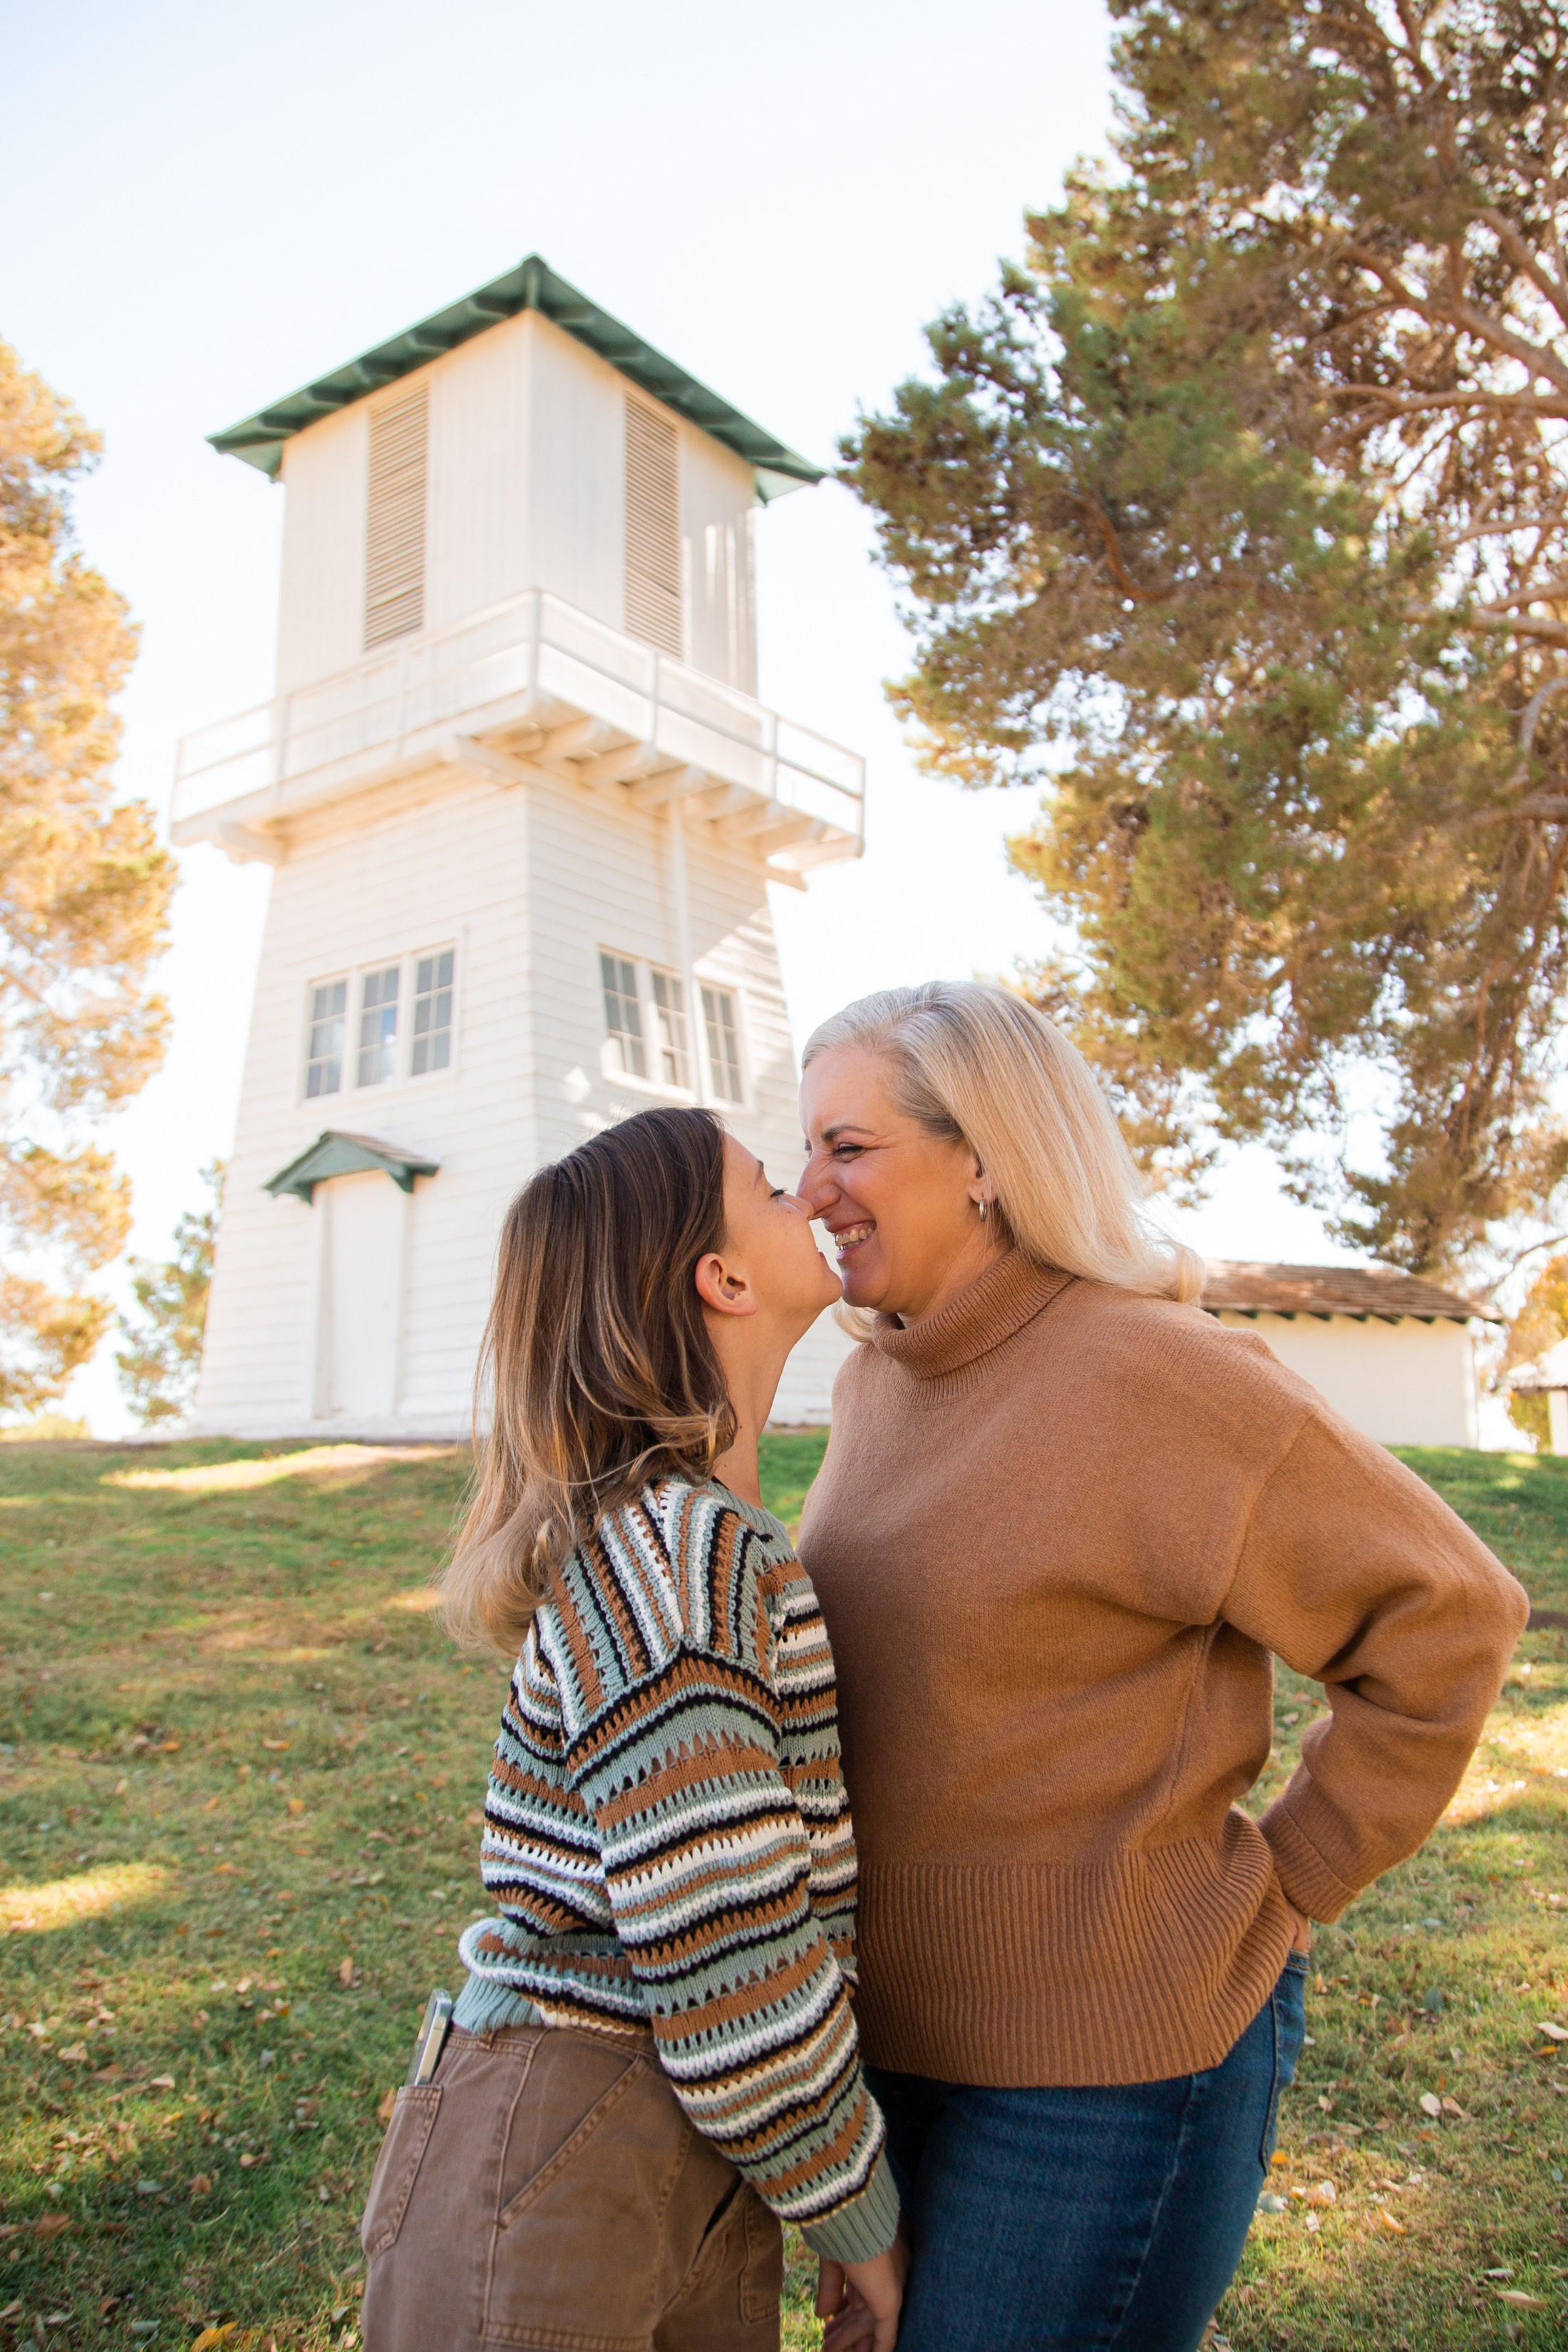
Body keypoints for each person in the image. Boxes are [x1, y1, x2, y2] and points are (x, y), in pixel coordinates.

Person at [794, 981, 1528, 2352]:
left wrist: (1297, 1875)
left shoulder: (1164, 1377)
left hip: (1112, 2077)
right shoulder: (876, 1379)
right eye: (804, 1152)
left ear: (986, 1158)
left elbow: (1450, 1615)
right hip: (892, 2055)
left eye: (848, 1147)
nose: (809, 1189)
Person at [359, 1106, 904, 2352]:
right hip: (572, 2134)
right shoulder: (676, 1551)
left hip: (677, 2132)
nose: (814, 1198)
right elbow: (726, 1942)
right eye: (773, 1189)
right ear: (720, 1279)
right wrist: (858, 2217)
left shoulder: (707, 1538)